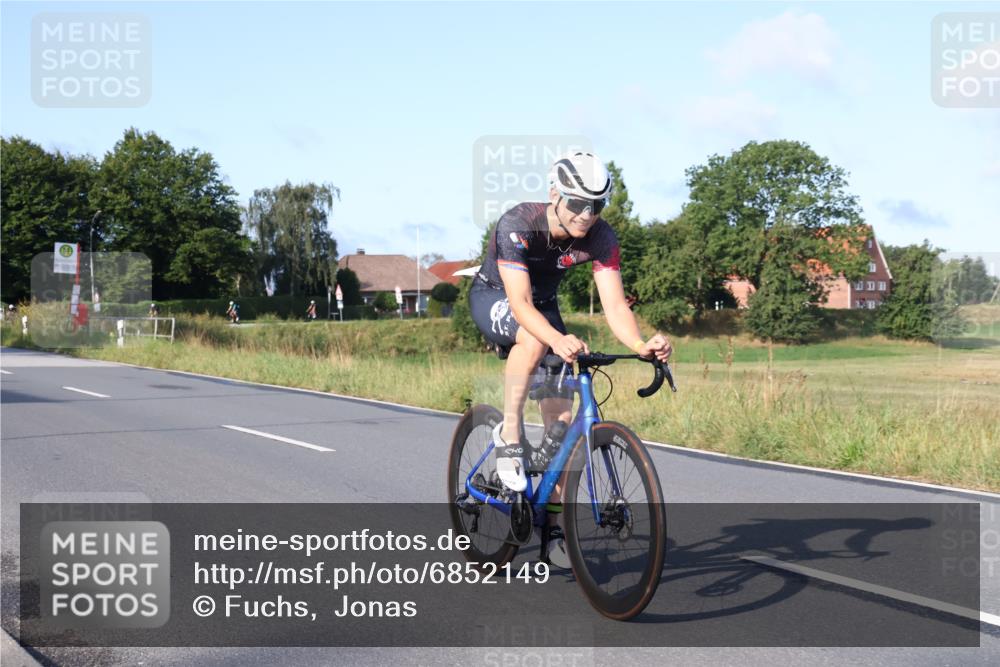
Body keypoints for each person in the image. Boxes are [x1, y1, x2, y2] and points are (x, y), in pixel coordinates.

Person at [469, 152, 672, 496]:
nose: (586, 215)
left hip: (544, 307)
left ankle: (555, 533)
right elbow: (519, 304)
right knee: (535, 341)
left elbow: (615, 305)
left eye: (597, 205)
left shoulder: (600, 237)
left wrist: (640, 346)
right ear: (554, 195)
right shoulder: (519, 223)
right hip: (497, 296)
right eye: (577, 204)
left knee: (561, 428)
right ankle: (510, 435)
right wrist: (555, 339)